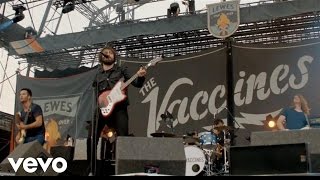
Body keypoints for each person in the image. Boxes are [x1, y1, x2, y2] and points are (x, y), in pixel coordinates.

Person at [90, 46, 147, 175]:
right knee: (92, 138)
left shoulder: (122, 70)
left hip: (118, 109)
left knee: (123, 137)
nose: (108, 54)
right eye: (106, 53)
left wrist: (141, 76)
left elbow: (137, 83)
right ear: (101, 56)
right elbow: (96, 93)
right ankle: (92, 169)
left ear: (114, 56)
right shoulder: (97, 74)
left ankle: (124, 170)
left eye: (111, 53)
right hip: (102, 109)